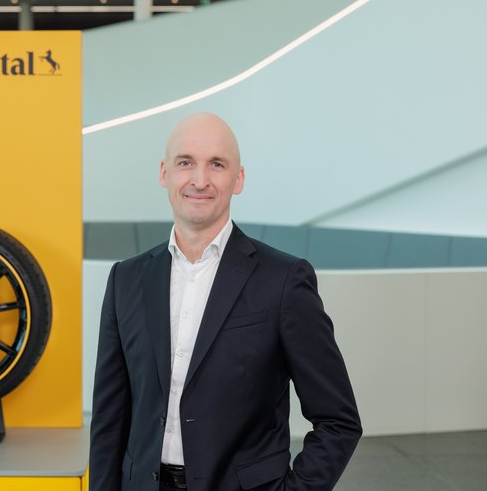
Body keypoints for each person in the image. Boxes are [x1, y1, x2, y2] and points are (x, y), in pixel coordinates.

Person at [89, 113, 361, 491]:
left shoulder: (283, 280)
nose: (200, 180)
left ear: (239, 179)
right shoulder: (126, 279)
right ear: (165, 173)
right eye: (186, 162)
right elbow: (109, 420)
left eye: (217, 164)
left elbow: (338, 421)